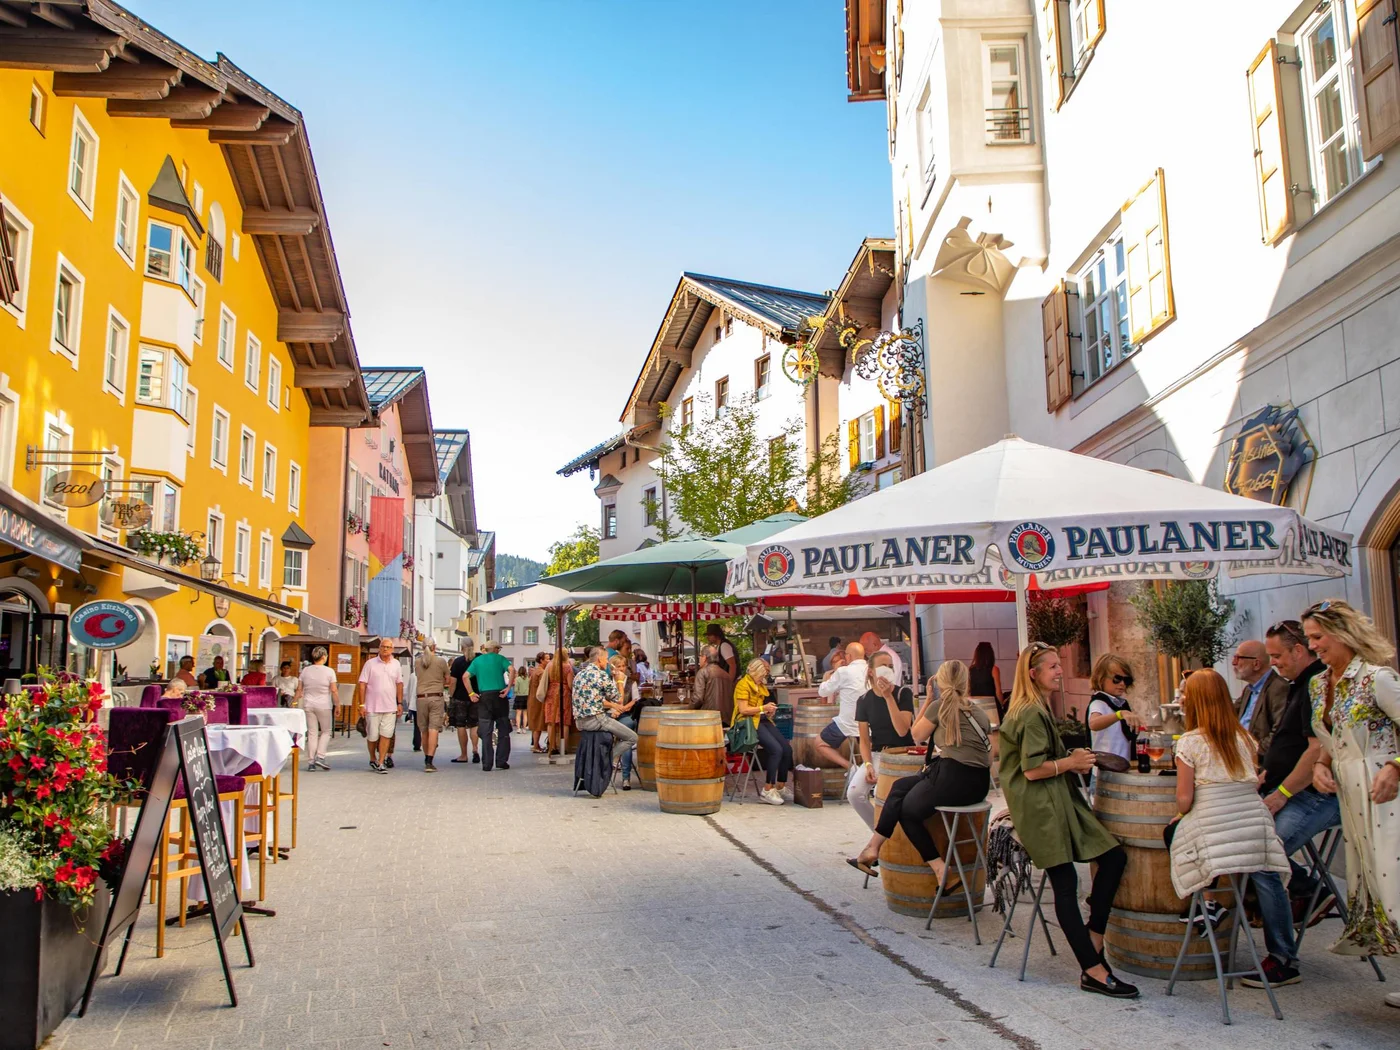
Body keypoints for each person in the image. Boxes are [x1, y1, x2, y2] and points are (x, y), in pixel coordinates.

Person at [999, 642, 1137, 999]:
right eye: (1053, 667)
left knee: (1112, 856)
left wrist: (1073, 756)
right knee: (1065, 882)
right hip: (1040, 807)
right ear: (1034, 674)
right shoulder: (1029, 711)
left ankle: (1093, 937)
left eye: (1059, 665)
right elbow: (1031, 771)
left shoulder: (1036, 706)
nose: (1060, 671)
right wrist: (1072, 763)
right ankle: (1092, 969)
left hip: (1057, 801)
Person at [1167, 670, 1292, 980]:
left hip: (1216, 833)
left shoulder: (1190, 742)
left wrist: (1181, 816)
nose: (1181, 699)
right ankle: (1279, 950)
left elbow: (1185, 800)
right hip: (1254, 829)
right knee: (1263, 874)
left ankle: (1208, 901)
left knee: (1174, 832)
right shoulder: (1245, 738)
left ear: (1195, 702)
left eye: (1185, 694)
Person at [1301, 599, 1400, 964]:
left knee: (1395, 884)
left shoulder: (1378, 678)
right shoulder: (1318, 684)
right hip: (1350, 796)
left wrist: (1395, 767)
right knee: (1374, 884)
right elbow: (1331, 735)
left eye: (1317, 636)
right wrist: (1321, 765)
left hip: (1385, 794)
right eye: (1309, 638)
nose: (1312, 645)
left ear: (1342, 633)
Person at [849, 660, 992, 881]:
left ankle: (939, 868)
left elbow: (915, 736)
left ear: (940, 683)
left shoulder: (939, 707)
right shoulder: (980, 713)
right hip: (980, 784)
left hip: (951, 778)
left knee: (907, 811)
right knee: (899, 787)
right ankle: (872, 848)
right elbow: (990, 754)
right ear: (966, 683)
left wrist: (930, 701)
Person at [1255, 620, 1335, 932]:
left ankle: (1282, 955)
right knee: (1244, 840)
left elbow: (1316, 749)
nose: (1272, 663)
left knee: (1264, 857)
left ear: (1299, 650)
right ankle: (1301, 891)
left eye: (1276, 656)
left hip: (1313, 796)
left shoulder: (1317, 683)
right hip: (1290, 790)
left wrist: (1281, 794)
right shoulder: (1300, 683)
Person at [846, 651, 916, 828]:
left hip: (902, 753)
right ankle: (880, 833)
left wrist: (888, 697)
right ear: (871, 671)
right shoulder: (864, 700)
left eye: (891, 666)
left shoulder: (903, 693)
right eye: (883, 666)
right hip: (879, 754)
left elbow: (902, 730)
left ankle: (885, 838)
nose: (888, 670)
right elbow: (863, 739)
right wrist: (868, 764)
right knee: (854, 794)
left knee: (881, 794)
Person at [731, 658, 791, 805]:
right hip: (746, 723)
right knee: (775, 750)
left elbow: (759, 709)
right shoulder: (743, 685)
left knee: (787, 749)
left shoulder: (760, 685)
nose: (765, 676)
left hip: (760, 719)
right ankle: (767, 790)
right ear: (757, 672)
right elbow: (743, 709)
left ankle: (781, 785)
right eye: (764, 673)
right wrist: (764, 708)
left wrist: (768, 711)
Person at [573, 646, 638, 772]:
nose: (607, 662)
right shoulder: (601, 675)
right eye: (606, 659)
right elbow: (619, 698)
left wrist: (613, 706)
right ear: (599, 659)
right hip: (596, 720)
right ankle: (606, 759)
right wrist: (619, 681)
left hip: (580, 723)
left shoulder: (579, 675)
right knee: (632, 738)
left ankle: (600, 759)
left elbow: (594, 699)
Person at [1232, 639, 1290, 756]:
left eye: (1238, 658)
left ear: (1256, 664)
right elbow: (1228, 714)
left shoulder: (1278, 688)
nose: (1234, 663)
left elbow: (1279, 734)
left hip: (1260, 761)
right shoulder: (1249, 690)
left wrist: (1249, 752)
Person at [815, 642, 867, 770]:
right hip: (873, 725)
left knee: (820, 743)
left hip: (849, 723)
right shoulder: (873, 670)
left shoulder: (844, 672)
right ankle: (863, 769)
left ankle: (851, 767)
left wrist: (833, 673)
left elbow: (823, 691)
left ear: (848, 656)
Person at [1085, 654, 1139, 775]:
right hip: (1105, 772)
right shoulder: (1099, 702)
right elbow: (1093, 723)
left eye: (1126, 680)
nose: (1122, 684)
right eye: (1117, 679)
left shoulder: (1120, 703)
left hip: (1122, 768)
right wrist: (1119, 715)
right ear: (1101, 678)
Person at [357, 638, 403, 773]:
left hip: (390, 707)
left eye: (388, 647)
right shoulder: (370, 664)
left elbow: (399, 684)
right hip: (372, 706)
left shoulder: (396, 665)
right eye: (383, 647)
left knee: (386, 735)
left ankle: (381, 762)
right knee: (372, 736)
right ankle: (372, 758)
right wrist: (361, 704)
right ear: (379, 648)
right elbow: (362, 684)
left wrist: (399, 703)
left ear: (392, 649)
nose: (385, 649)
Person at [467, 641, 514, 772]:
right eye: (498, 648)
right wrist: (508, 687)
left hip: (484, 697)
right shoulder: (501, 659)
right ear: (495, 649)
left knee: (486, 731)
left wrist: (471, 693)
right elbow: (512, 670)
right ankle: (501, 761)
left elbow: (465, 676)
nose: (499, 651)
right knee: (503, 729)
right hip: (499, 696)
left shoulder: (477, 661)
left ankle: (487, 763)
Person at [299, 646, 337, 771]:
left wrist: (294, 703)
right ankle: (320, 756)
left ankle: (311, 762)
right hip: (324, 705)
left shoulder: (305, 671)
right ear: (324, 657)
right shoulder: (329, 671)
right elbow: (333, 690)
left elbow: (299, 689)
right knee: (326, 731)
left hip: (308, 704)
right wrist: (338, 704)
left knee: (312, 733)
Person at [414, 642, 449, 772]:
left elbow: (419, 676)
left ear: (423, 647)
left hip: (421, 698)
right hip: (436, 697)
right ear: (434, 647)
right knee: (433, 728)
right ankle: (429, 761)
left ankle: (425, 758)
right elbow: (448, 679)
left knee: (423, 730)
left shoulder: (417, 662)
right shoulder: (441, 661)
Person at [607, 653, 640, 788]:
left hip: (625, 714)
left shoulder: (631, 682)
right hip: (610, 714)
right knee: (610, 736)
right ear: (613, 668)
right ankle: (606, 771)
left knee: (626, 736)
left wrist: (621, 709)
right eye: (618, 666)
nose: (621, 669)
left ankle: (626, 777)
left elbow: (635, 700)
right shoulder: (608, 681)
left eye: (623, 666)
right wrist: (614, 710)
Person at [537, 648, 575, 759]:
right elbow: (570, 684)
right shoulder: (567, 667)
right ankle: (564, 747)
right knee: (564, 722)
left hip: (551, 693)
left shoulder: (550, 666)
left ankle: (552, 746)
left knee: (551, 721)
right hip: (564, 694)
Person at [447, 648, 480, 763]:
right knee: (474, 724)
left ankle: (463, 754)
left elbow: (453, 682)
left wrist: (451, 696)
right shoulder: (478, 659)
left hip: (460, 697)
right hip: (476, 696)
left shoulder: (458, 661)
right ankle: (475, 750)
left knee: (460, 725)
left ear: (462, 648)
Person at [687, 646, 728, 715]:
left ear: (704, 658)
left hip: (708, 718)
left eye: (700, 656)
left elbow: (697, 699)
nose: (699, 658)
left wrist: (687, 710)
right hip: (727, 720)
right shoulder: (726, 675)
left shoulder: (702, 672)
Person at [969, 642, 1003, 719]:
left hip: (976, 705)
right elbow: (998, 691)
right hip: (991, 705)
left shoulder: (971, 669)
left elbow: (969, 689)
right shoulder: (994, 669)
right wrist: (1002, 705)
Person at [527, 652, 549, 753]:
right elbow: (543, 687)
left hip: (533, 699)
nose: (549, 661)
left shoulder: (536, 671)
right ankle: (536, 745)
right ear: (541, 660)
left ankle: (536, 745)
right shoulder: (541, 672)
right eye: (547, 659)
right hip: (538, 701)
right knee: (538, 724)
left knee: (536, 723)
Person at [513, 665, 531, 731]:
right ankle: (524, 728)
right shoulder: (528, 679)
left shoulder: (517, 679)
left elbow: (515, 689)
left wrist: (516, 692)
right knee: (525, 714)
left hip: (519, 697)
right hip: (526, 697)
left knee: (518, 714)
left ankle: (518, 728)